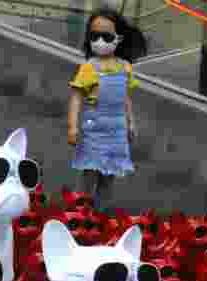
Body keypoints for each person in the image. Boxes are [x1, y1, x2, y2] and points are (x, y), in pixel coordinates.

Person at [67, 8, 148, 212]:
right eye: (94, 36)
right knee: (89, 173)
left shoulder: (125, 68)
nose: (100, 41)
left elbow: (125, 97)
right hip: (94, 128)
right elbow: (77, 97)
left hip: (117, 129)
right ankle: (80, 213)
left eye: (106, 36)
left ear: (118, 38)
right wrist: (72, 127)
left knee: (109, 176)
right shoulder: (88, 67)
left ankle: (99, 215)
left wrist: (131, 122)